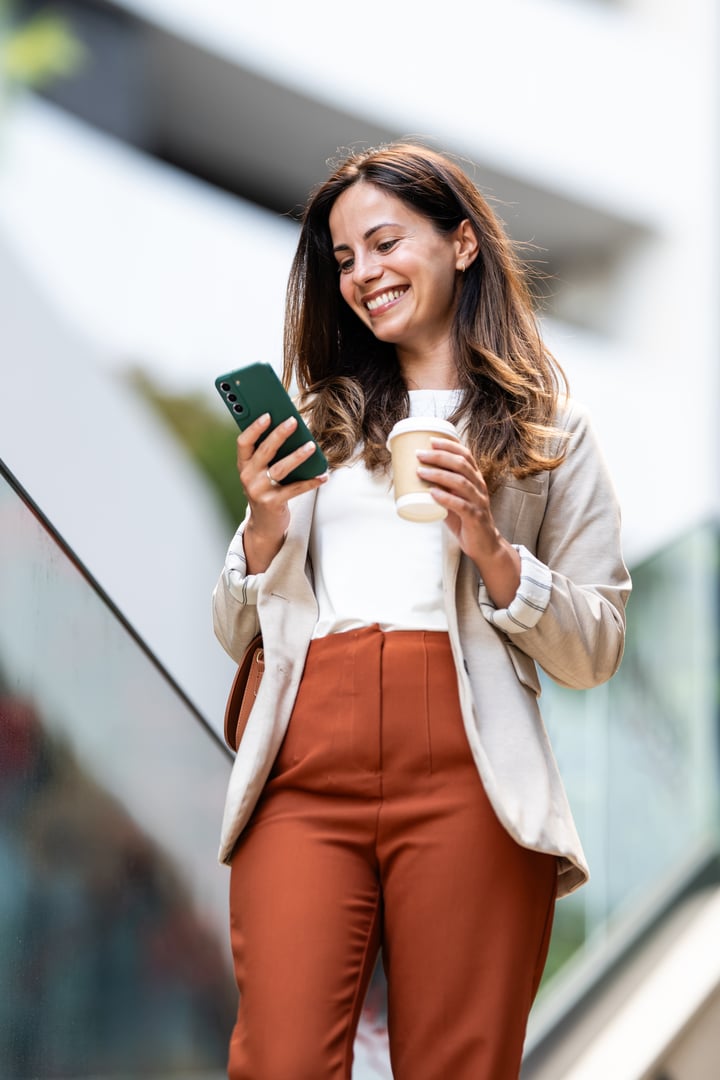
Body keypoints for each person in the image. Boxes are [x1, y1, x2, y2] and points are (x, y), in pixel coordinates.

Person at [212, 142, 631, 1080]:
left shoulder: (548, 432)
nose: (363, 273)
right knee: (280, 1060)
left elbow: (597, 646)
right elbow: (235, 630)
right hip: (305, 763)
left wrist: (490, 546)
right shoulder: (317, 422)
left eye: (385, 242)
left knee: (458, 1064)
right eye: (343, 259)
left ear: (462, 244)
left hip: (471, 769)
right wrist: (264, 528)